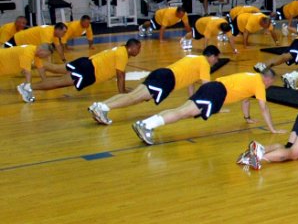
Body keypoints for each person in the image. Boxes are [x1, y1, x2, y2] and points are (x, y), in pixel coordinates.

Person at [131, 70, 283, 145]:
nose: (270, 85)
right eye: (271, 82)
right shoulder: (259, 84)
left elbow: (245, 100)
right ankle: (146, 125)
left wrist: (247, 118)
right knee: (183, 113)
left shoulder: (251, 77)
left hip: (212, 88)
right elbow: (264, 108)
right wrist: (272, 129)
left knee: (181, 111)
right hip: (216, 92)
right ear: (267, 78)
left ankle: (145, 123)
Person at [88, 46, 220, 125]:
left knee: (133, 96)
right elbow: (206, 87)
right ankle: (103, 107)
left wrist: (193, 104)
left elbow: (191, 84)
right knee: (134, 98)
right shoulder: (204, 63)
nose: (216, 61)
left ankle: (99, 105)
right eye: (216, 58)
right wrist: (212, 107)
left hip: (161, 73)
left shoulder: (193, 58)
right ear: (212, 56)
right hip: (167, 79)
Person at [26, 38, 141, 102]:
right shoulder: (123, 54)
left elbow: (121, 73)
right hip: (89, 70)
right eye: (138, 48)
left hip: (86, 62)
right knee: (59, 82)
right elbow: (120, 74)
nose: (139, 51)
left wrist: (123, 89)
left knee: (57, 70)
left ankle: (32, 64)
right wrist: (122, 93)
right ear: (131, 47)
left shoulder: (121, 49)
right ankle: (28, 87)